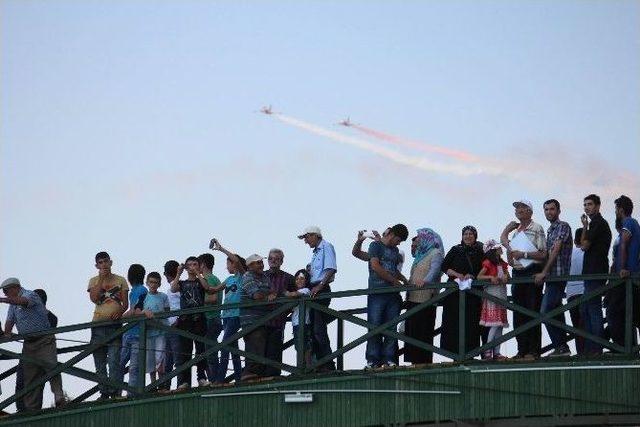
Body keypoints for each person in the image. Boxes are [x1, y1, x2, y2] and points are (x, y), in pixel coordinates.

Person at [1, 278, 66, 410]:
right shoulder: (12, 304)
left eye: (6, 291)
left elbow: (24, 302)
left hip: (44, 340)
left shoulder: (31, 295)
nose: (5, 294)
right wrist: (7, 333)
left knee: (51, 368)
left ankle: (59, 397)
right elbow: (9, 321)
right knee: (30, 377)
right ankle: (32, 408)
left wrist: (3, 300)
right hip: (29, 344)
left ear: (14, 288)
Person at [501, 199, 547, 360]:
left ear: (530, 211)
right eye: (517, 208)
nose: (519, 210)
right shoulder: (515, 233)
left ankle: (533, 350)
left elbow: (543, 254)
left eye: (522, 207)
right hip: (518, 273)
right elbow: (510, 258)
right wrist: (506, 233)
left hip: (532, 271)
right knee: (519, 314)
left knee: (532, 311)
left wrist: (524, 254)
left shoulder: (537, 228)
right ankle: (521, 350)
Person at [365, 223, 409, 369]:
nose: (398, 243)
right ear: (392, 235)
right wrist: (394, 281)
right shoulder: (375, 246)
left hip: (392, 294)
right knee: (374, 327)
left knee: (391, 328)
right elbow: (375, 266)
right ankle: (373, 360)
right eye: (398, 240)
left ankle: (389, 359)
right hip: (377, 292)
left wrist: (403, 279)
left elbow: (393, 270)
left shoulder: (395, 250)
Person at [534, 199, 573, 357]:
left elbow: (556, 250)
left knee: (545, 311)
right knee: (556, 312)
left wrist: (544, 272)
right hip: (551, 277)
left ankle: (561, 347)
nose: (549, 212)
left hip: (557, 276)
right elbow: (546, 254)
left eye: (552, 209)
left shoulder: (562, 226)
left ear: (558, 210)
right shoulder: (549, 230)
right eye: (546, 209)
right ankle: (562, 348)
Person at [87, 251, 128, 399]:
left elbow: (125, 304)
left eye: (106, 261)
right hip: (98, 324)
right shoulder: (93, 281)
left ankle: (115, 392)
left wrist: (120, 312)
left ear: (111, 262)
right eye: (101, 262)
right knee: (99, 361)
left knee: (114, 360)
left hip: (114, 325)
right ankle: (104, 392)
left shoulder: (121, 280)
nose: (104, 264)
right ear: (97, 265)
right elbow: (94, 298)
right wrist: (101, 279)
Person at [441, 226, 485, 358]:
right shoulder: (456, 249)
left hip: (473, 293)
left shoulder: (480, 250)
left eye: (471, 233)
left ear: (475, 236)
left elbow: (485, 268)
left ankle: (470, 353)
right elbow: (444, 266)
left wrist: (473, 276)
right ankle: (454, 354)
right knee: (453, 322)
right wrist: (457, 274)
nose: (468, 236)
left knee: (471, 322)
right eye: (465, 234)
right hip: (454, 292)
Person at [14, 289, 62, 411]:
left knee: (41, 379)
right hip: (29, 351)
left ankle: (30, 409)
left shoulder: (49, 316)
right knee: (25, 382)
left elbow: (50, 324)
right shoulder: (26, 313)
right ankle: (24, 409)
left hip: (44, 351)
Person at [299, 226, 337, 372]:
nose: (306, 241)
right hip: (316, 289)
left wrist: (320, 286)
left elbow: (331, 268)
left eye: (307, 237)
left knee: (318, 329)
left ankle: (327, 364)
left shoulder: (326, 246)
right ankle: (321, 363)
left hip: (320, 290)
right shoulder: (316, 251)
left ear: (315, 235)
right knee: (315, 329)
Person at [404, 228, 444, 365]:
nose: (419, 240)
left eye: (421, 238)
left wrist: (425, 281)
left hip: (426, 298)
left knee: (423, 332)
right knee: (412, 331)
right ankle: (414, 362)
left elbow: (434, 270)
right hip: (412, 298)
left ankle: (423, 362)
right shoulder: (421, 254)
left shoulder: (436, 253)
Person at [170, 256, 210, 389]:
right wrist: (178, 273)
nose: (192, 267)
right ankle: (184, 381)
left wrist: (198, 273)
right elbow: (173, 288)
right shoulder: (182, 283)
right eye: (190, 265)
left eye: (195, 264)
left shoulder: (201, 281)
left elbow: (206, 287)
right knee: (185, 351)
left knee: (200, 350)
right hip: (185, 321)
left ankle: (201, 377)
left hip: (199, 319)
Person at [580, 194, 612, 356]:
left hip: (595, 272)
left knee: (593, 310)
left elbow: (583, 246)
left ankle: (596, 348)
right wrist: (586, 226)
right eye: (585, 205)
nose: (587, 207)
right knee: (587, 309)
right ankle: (592, 347)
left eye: (590, 204)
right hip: (591, 273)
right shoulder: (595, 223)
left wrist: (585, 227)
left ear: (598, 206)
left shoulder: (599, 223)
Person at [210, 239, 245, 383]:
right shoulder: (229, 279)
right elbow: (213, 289)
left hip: (236, 314)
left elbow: (236, 260)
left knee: (225, 344)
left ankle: (220, 378)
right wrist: (199, 274)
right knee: (232, 346)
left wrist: (221, 249)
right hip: (226, 315)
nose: (227, 267)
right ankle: (238, 376)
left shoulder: (243, 276)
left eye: (228, 263)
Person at [607, 195, 640, 349]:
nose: (615, 212)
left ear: (620, 209)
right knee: (629, 313)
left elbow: (624, 245)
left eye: (616, 209)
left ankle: (622, 348)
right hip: (626, 276)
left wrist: (622, 269)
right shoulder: (632, 224)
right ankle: (628, 347)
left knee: (614, 312)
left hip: (627, 276)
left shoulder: (629, 222)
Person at [239, 254, 275, 380]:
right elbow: (256, 295)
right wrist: (267, 296)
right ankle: (249, 373)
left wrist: (269, 295)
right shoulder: (247, 277)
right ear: (249, 266)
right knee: (254, 345)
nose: (261, 265)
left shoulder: (264, 277)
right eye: (257, 263)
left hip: (263, 318)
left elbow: (273, 291)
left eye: (261, 262)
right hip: (250, 319)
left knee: (260, 346)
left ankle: (256, 373)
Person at [263, 248, 295, 377]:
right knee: (259, 351)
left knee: (275, 350)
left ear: (281, 261)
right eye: (270, 258)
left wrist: (286, 311)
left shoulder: (288, 278)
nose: (273, 261)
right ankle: (260, 377)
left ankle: (273, 378)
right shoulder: (261, 276)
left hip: (277, 321)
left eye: (276, 259)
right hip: (261, 320)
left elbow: (296, 297)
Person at [477, 240, 510, 360]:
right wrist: (490, 277)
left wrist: (506, 276)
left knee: (499, 325)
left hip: (501, 294)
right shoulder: (488, 263)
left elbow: (507, 275)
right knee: (494, 324)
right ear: (493, 251)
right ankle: (487, 350)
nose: (500, 249)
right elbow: (479, 276)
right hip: (492, 294)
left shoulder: (502, 263)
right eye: (497, 248)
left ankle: (497, 352)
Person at [119, 264, 148, 395]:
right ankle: (119, 391)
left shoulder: (141, 290)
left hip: (136, 333)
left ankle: (128, 393)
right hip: (130, 332)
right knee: (123, 364)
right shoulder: (137, 290)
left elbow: (135, 310)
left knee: (131, 366)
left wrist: (118, 318)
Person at [197, 253, 224, 384]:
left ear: (203, 265)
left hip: (211, 318)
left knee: (210, 352)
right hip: (214, 319)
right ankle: (214, 379)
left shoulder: (209, 278)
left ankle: (215, 380)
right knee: (209, 350)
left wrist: (197, 302)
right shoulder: (215, 278)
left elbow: (212, 298)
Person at [141, 272, 170, 385]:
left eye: (156, 283)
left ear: (159, 284)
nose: (153, 285)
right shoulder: (144, 297)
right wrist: (144, 312)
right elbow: (138, 312)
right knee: (150, 359)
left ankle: (161, 383)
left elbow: (168, 312)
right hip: (148, 332)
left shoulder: (163, 296)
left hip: (161, 331)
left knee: (160, 356)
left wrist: (159, 315)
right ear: (147, 283)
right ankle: (153, 384)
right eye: (151, 282)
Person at [159, 260, 181, 391]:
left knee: (172, 358)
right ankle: (168, 384)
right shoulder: (179, 285)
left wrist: (177, 320)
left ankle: (168, 385)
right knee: (171, 358)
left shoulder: (175, 286)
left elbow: (178, 306)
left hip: (174, 326)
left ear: (166, 274)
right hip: (172, 325)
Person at [285, 269, 313, 366]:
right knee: (299, 346)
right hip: (297, 323)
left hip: (303, 323)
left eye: (302, 279)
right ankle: (302, 366)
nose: (299, 281)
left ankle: (307, 367)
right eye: (296, 279)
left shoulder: (306, 290)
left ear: (306, 280)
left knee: (305, 346)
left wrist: (285, 292)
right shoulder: (300, 291)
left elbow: (294, 294)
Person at [566, 228, 585, 355]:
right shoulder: (586, 253)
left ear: (574, 240)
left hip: (571, 293)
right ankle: (590, 351)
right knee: (586, 325)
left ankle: (580, 352)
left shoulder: (569, 254)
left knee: (576, 326)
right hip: (585, 292)